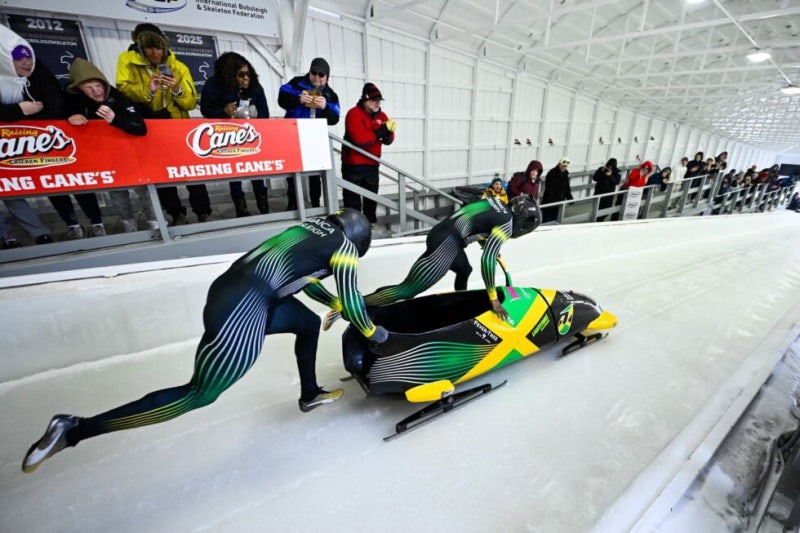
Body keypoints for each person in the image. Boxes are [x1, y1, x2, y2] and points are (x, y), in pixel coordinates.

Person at [21, 208, 390, 474]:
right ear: (357, 242)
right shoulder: (345, 249)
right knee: (200, 393)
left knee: (307, 324)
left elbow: (302, 277)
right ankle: (74, 429)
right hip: (245, 308)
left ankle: (309, 394)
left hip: (236, 288)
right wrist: (376, 334)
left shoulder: (309, 230)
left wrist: (331, 303)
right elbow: (355, 304)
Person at [324, 195, 541, 330]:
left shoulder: (496, 203)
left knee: (464, 270)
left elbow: (478, 224)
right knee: (407, 289)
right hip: (447, 243)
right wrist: (493, 298)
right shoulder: (506, 224)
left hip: (445, 233)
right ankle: (344, 307)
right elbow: (488, 259)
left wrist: (488, 245)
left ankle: (459, 304)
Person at [116, 23, 209, 225]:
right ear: (140, 46)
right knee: (162, 174)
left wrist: (176, 89)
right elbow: (122, 90)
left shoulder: (179, 67)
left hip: (178, 127)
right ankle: (176, 214)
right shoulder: (127, 62)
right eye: (149, 47)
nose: (155, 52)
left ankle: (203, 212)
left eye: (158, 47)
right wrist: (147, 89)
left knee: (193, 173)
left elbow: (191, 102)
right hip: (151, 126)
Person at [64, 58, 156, 233]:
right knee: (117, 194)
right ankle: (128, 224)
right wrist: (71, 115)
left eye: (98, 85)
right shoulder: (71, 99)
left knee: (144, 190)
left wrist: (115, 119)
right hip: (101, 156)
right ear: (79, 89)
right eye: (88, 87)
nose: (96, 91)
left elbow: (140, 127)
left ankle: (154, 221)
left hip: (127, 153)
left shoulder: (115, 95)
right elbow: (59, 109)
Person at [201, 52, 270, 217]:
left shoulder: (255, 86)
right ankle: (242, 210)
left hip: (252, 136)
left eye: (248, 74)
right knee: (235, 173)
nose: (246, 78)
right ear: (229, 75)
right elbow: (206, 109)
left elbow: (265, 113)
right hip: (227, 137)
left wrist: (256, 113)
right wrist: (223, 111)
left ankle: (264, 209)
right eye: (241, 75)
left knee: (257, 172)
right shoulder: (214, 85)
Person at [278, 57, 340, 210]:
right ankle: (293, 204)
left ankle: (314, 205)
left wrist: (325, 107)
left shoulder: (331, 95)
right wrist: (297, 99)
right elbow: (281, 98)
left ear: (327, 77)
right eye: (314, 72)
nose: (317, 77)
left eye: (321, 75)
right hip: (293, 136)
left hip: (315, 139)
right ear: (310, 71)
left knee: (315, 175)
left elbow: (335, 118)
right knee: (292, 172)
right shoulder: (296, 83)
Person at [341, 83, 396, 223]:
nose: (377, 102)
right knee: (352, 200)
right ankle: (352, 225)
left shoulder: (382, 115)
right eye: (373, 99)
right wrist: (381, 132)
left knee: (371, 199)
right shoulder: (353, 113)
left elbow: (388, 139)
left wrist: (389, 135)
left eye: (379, 100)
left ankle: (370, 223)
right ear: (365, 100)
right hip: (353, 165)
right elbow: (360, 140)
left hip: (372, 165)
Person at [541, 158, 573, 223]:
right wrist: (549, 203)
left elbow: (567, 188)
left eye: (565, 166)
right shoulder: (551, 173)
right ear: (559, 164)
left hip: (559, 204)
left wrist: (570, 199)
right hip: (550, 204)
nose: (564, 167)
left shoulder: (565, 174)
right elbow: (549, 190)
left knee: (556, 221)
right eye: (562, 165)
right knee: (547, 222)